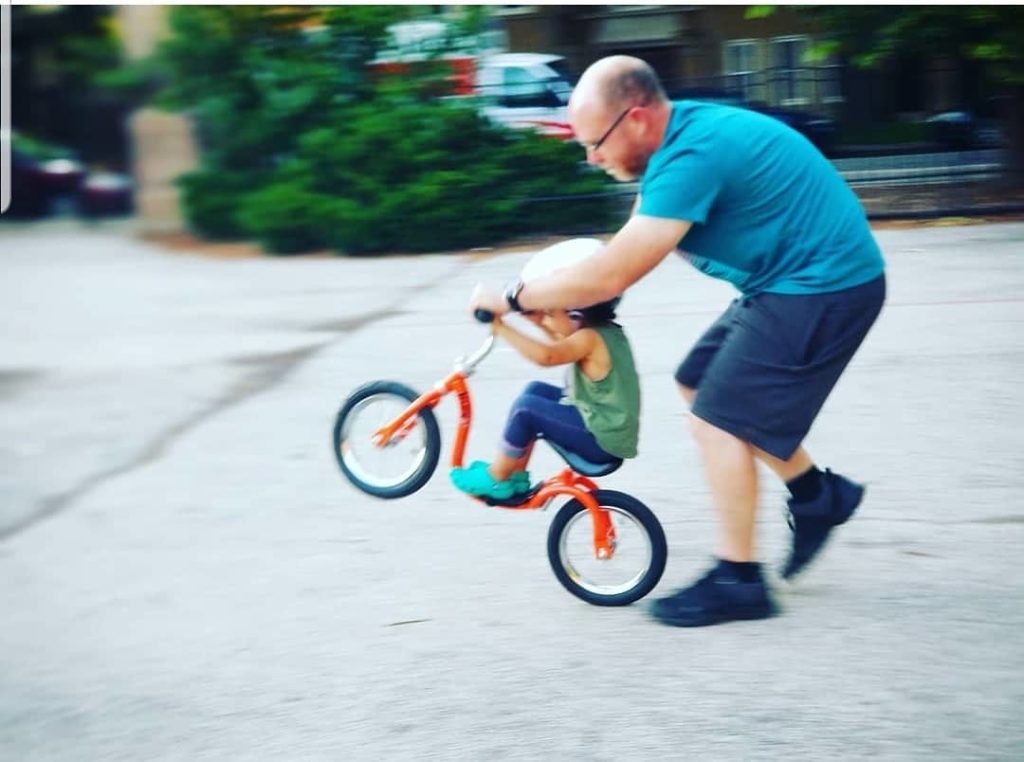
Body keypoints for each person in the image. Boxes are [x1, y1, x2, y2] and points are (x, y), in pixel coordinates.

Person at [468, 56, 886, 627]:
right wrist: (557, 305)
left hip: (823, 286)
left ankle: (739, 581)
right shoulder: (677, 144)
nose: (591, 158)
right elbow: (621, 253)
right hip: (785, 284)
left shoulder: (690, 156)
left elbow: (611, 276)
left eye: (595, 143)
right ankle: (817, 495)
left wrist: (515, 298)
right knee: (697, 383)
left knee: (718, 420)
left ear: (636, 117)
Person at [452, 239, 641, 501]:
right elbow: (562, 343)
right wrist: (540, 320)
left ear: (575, 315)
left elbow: (548, 355)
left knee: (527, 409)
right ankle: (516, 474)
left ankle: (498, 477)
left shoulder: (588, 339)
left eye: (551, 312)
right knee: (535, 391)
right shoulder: (603, 332)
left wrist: (501, 327)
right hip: (602, 427)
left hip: (599, 441)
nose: (548, 318)